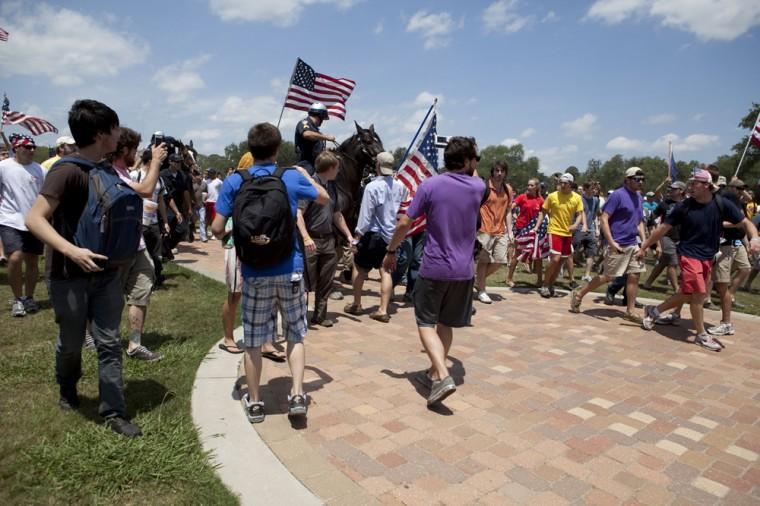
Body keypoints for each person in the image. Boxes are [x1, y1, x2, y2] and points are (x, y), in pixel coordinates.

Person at [25, 99, 142, 436]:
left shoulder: (106, 168)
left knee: (108, 342)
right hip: (68, 275)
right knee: (72, 342)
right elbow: (34, 218)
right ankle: (67, 387)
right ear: (102, 133)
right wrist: (70, 250)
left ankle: (113, 412)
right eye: (116, 128)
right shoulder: (67, 170)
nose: (120, 134)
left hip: (105, 273)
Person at [211, 122, 329, 423]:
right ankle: (298, 394)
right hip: (289, 268)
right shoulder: (289, 177)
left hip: (254, 271)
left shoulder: (235, 181)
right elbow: (323, 197)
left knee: (252, 340)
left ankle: (255, 401)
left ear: (250, 149)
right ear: (278, 149)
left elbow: (215, 228)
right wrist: (304, 174)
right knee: (295, 335)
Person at [382, 136, 484, 406]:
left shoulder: (430, 185)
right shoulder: (478, 186)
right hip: (464, 271)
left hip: (435, 267)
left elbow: (405, 222)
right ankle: (432, 373)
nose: (477, 162)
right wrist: (472, 153)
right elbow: (477, 172)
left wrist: (391, 250)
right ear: (466, 161)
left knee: (426, 323)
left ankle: (441, 373)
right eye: (475, 157)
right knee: (445, 324)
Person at [638, 169, 760, 351]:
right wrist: (644, 246)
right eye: (690, 183)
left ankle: (654, 311)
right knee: (698, 294)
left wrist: (754, 239)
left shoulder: (721, 204)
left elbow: (746, 223)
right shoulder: (684, 206)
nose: (690, 186)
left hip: (708, 256)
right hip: (688, 253)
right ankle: (701, 334)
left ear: (707, 186)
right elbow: (662, 228)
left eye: (695, 183)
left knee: (689, 293)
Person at [108, 127, 167, 361]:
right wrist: (155, 163)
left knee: (142, 287)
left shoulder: (124, 170)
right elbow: (146, 189)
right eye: (134, 148)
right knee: (108, 298)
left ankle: (135, 343)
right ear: (123, 149)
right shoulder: (110, 173)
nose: (137, 152)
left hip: (137, 244)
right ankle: (93, 335)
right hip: (116, 247)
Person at [570, 167, 647, 321]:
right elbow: (604, 218)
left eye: (642, 179)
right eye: (637, 179)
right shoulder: (618, 195)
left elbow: (639, 221)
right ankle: (579, 294)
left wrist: (644, 243)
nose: (640, 182)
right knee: (608, 276)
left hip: (633, 243)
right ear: (627, 179)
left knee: (634, 276)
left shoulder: (638, 197)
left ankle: (630, 311)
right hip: (617, 243)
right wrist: (611, 242)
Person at [343, 152, 409, 323]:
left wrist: (358, 234)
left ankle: (357, 303)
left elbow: (366, 214)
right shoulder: (400, 186)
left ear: (378, 166)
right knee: (385, 270)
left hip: (373, 234)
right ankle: (383, 309)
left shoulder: (372, 187)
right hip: (391, 235)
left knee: (359, 267)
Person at [297, 151, 353, 327]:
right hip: (311, 240)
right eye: (337, 167)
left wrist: (348, 234)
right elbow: (298, 213)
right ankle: (300, 317)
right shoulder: (309, 185)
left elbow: (337, 214)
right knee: (304, 282)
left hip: (328, 240)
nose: (338, 171)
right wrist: (305, 237)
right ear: (330, 168)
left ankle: (320, 316)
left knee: (326, 280)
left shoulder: (332, 187)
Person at [0, 133, 45, 316]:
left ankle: (29, 297)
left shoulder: (40, 170)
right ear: (16, 148)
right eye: (27, 147)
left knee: (32, 261)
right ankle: (17, 299)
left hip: (34, 221)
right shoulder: (3, 167)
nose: (31, 151)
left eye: (33, 147)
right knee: (15, 257)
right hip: (9, 219)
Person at [707, 178, 753, 336]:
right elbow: (722, 222)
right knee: (719, 283)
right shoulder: (724, 200)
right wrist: (737, 224)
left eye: (743, 189)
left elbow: (744, 222)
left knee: (745, 268)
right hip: (724, 243)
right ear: (731, 188)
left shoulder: (738, 202)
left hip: (737, 242)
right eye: (739, 189)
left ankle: (729, 301)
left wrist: (746, 243)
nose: (742, 191)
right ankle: (725, 317)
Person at [534, 173, 586, 297]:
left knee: (561, 260)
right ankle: (545, 284)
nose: (562, 185)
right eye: (561, 182)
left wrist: (576, 225)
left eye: (565, 183)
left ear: (571, 184)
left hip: (567, 233)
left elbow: (580, 214)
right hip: (554, 230)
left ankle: (551, 285)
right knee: (555, 258)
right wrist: (537, 226)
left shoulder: (577, 198)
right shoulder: (552, 196)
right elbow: (543, 212)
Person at [131, 149, 172, 287]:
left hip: (153, 221)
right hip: (138, 221)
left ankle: (156, 278)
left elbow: (160, 200)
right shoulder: (135, 176)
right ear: (150, 162)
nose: (160, 165)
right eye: (158, 161)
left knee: (156, 253)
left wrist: (165, 221)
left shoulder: (158, 179)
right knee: (140, 253)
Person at [475, 161, 513, 303]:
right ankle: (482, 290)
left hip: (500, 230)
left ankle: (477, 280)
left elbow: (509, 211)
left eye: (502, 171)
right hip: (484, 230)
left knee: (500, 260)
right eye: (496, 170)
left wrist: (510, 231)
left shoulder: (507, 189)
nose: (499, 173)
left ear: (505, 173)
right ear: (492, 172)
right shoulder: (484, 187)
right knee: (483, 261)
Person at [642, 181, 686, 293]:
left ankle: (648, 283)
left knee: (663, 262)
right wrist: (650, 230)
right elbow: (652, 218)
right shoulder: (664, 204)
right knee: (673, 262)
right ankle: (676, 289)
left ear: (681, 191)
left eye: (674, 189)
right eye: (670, 188)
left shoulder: (687, 204)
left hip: (681, 237)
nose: (670, 190)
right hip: (666, 236)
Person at [507, 178, 547, 286]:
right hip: (521, 229)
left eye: (532, 185)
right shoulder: (522, 197)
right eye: (528, 185)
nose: (529, 187)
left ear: (537, 187)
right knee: (517, 253)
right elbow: (511, 207)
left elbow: (544, 213)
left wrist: (538, 226)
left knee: (538, 256)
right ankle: (509, 278)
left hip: (534, 231)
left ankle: (539, 281)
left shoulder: (541, 200)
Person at [159, 153, 191, 259]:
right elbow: (167, 196)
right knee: (168, 230)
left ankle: (166, 249)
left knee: (182, 229)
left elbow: (185, 191)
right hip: (166, 206)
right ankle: (165, 252)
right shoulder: (163, 174)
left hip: (179, 205)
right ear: (170, 162)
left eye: (180, 162)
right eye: (177, 162)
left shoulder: (183, 175)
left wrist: (189, 207)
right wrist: (176, 211)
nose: (179, 164)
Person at [294, 102, 335, 175]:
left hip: (315, 164)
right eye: (323, 117)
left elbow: (315, 151)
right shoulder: (304, 123)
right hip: (306, 164)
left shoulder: (316, 131)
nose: (322, 121)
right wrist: (327, 137)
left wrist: (327, 150)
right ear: (320, 115)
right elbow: (307, 134)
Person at [572, 182, 601, 283]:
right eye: (592, 188)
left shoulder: (596, 200)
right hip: (578, 228)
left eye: (595, 189)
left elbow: (595, 215)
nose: (594, 191)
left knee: (591, 252)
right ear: (585, 188)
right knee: (573, 251)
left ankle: (587, 275)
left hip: (590, 229)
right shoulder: (578, 199)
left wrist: (596, 228)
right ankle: (564, 268)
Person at [205, 169, 222, 234]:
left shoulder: (219, 182)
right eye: (209, 173)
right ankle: (205, 232)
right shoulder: (207, 181)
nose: (209, 174)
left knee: (214, 218)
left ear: (214, 174)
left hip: (215, 202)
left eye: (211, 173)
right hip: (208, 201)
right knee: (207, 218)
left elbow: (222, 191)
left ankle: (213, 233)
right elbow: (206, 191)